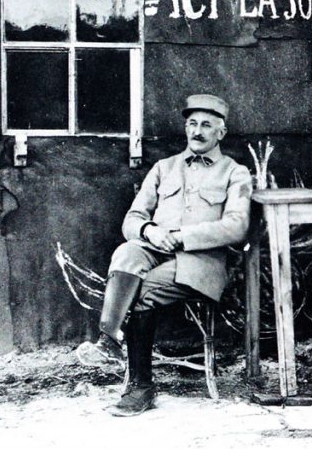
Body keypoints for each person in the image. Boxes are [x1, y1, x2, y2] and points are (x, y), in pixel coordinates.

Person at [74, 94, 253, 416]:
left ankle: (140, 386)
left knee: (142, 291)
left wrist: (183, 237)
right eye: (192, 124)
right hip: (153, 250)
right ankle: (109, 339)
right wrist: (150, 231)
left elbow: (238, 226)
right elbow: (132, 219)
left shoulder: (234, 172)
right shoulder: (163, 168)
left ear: (221, 133)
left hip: (202, 263)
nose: (197, 132)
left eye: (207, 126)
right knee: (127, 250)